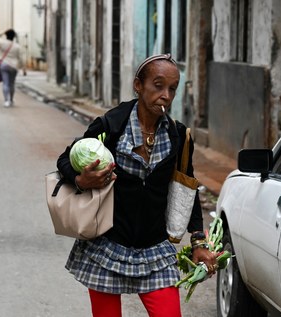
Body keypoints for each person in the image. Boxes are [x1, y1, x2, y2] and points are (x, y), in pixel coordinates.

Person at [56, 53, 217, 317]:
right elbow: (66, 158)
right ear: (138, 85)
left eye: (172, 88)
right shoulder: (111, 126)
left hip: (155, 250)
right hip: (107, 246)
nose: (165, 94)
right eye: (158, 85)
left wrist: (199, 240)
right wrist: (80, 180)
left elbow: (187, 190)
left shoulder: (177, 135)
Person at [0, 29, 26, 107]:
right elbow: (21, 58)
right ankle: (11, 100)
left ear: (6, 35)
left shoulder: (3, 43)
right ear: (14, 37)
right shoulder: (17, 46)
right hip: (14, 66)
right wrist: (23, 68)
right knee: (12, 83)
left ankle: (6, 101)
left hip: (4, 65)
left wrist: (2, 32)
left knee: (5, 83)